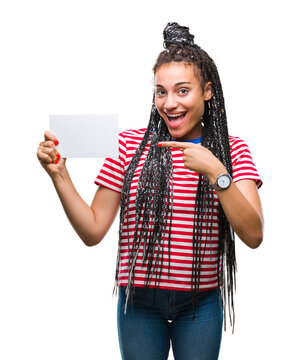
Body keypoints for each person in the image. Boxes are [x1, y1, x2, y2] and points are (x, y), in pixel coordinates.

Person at [37, 22, 263, 360]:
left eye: (182, 90)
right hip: (139, 304)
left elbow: (254, 234)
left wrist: (216, 172)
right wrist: (59, 175)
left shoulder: (232, 150)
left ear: (207, 91)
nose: (169, 103)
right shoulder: (128, 145)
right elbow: (93, 230)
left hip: (200, 304)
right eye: (161, 91)